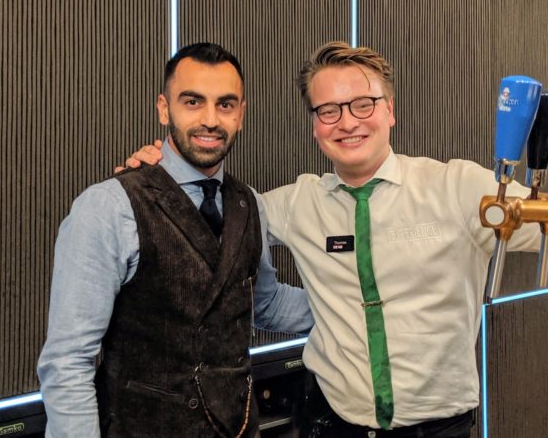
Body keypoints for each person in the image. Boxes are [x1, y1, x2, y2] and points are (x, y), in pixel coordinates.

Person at [127, 41, 541, 438]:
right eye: (328, 110)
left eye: (364, 104)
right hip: (332, 423)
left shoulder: (460, 188)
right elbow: (206, 217)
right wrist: (163, 174)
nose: (347, 122)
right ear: (314, 126)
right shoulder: (297, 203)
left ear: (390, 110)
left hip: (438, 429)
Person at [38, 43, 312, 438]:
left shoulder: (249, 202)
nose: (210, 120)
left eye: (225, 104)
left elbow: (264, 302)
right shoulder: (108, 207)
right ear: (164, 109)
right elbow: (67, 363)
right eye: (192, 102)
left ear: (241, 115)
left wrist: (356, 308)